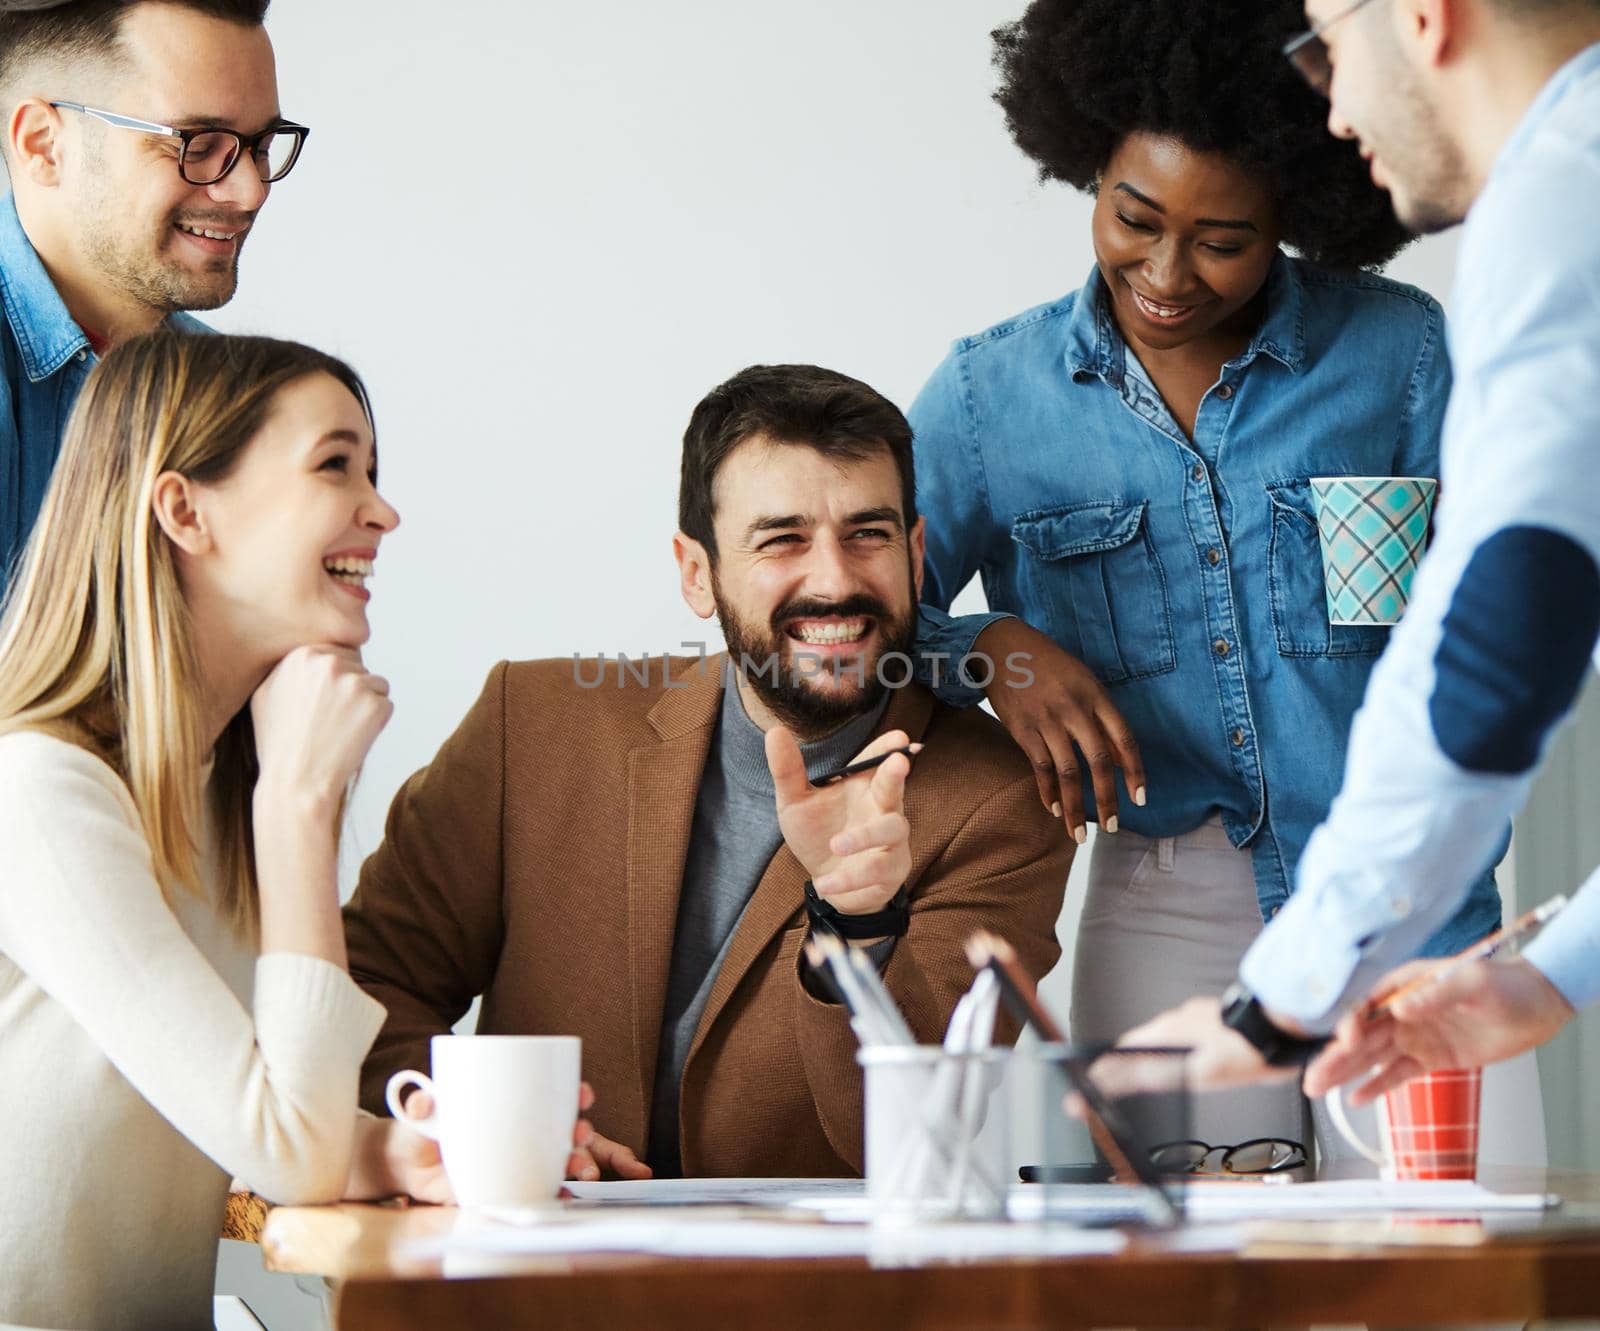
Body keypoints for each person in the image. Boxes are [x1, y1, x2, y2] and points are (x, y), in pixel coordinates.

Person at [904, 0, 1502, 1160]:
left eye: (1222, 239)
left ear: (1294, 214)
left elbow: (1490, 612)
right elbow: (861, 616)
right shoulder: (989, 397)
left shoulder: (1399, 356)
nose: (1166, 272)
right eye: (1132, 219)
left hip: (1414, 895)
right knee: (1190, 1285)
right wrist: (987, 647)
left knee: (1444, 1269)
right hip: (1166, 902)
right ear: (1085, 167)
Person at [344, 364, 1073, 1180]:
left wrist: (855, 927)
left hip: (797, 1297)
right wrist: (482, 1137)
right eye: (782, 539)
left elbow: (911, 1135)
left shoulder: (1002, 800)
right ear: (697, 572)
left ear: (915, 551)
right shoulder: (531, 721)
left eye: (868, 533)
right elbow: (367, 991)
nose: (833, 579)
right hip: (520, 1274)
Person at [1119, 0, 1600, 1103]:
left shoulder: (1562, 202)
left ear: (1424, 16)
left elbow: (1496, 643)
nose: (1332, 111)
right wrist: (1550, 979)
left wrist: (1282, 1001)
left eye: (1325, 49)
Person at [0, 332, 441, 1331]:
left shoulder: (221, 785)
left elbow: (259, 1110)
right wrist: (298, 808)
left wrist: (394, 1145)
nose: (382, 510)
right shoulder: (39, 791)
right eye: (336, 464)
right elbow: (283, 1146)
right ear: (184, 510)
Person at [0, 0, 306, 589]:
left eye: (261, 146)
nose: (249, 192)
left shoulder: (228, 394)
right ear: (42, 145)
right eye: (195, 144)